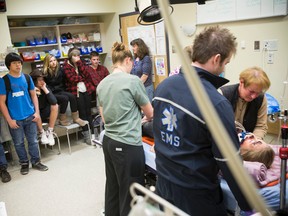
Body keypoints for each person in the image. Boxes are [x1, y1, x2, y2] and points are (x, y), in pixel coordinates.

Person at [152, 26, 252, 215]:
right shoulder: (215, 103)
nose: (224, 68)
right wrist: (249, 205)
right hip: (196, 198)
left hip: (164, 187)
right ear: (216, 59)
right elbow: (230, 163)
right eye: (226, 63)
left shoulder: (164, 87)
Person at [97, 42, 153, 216]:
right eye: (132, 63)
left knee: (113, 187)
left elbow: (104, 117)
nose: (133, 67)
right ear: (128, 60)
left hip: (108, 141)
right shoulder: (132, 81)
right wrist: (140, 117)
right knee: (131, 192)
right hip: (127, 143)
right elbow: (150, 113)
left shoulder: (102, 84)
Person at [0, 52, 48, 175]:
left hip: (30, 116)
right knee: (19, 143)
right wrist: (9, 120)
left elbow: (34, 96)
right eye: (14, 63)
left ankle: (36, 162)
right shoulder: (4, 81)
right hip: (15, 119)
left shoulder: (27, 78)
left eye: (19, 62)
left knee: (33, 141)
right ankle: (24, 163)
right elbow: (2, 103)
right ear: (8, 65)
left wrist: (36, 113)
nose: (18, 65)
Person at [219, 67, 271, 140]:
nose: (254, 96)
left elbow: (261, 126)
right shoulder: (222, 95)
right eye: (251, 91)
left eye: (258, 93)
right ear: (241, 82)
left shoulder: (261, 99)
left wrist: (254, 140)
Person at [42, 54, 86, 127]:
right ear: (47, 63)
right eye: (51, 61)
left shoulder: (60, 70)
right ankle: (62, 118)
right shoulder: (45, 73)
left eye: (54, 60)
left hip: (60, 90)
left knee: (72, 96)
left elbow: (64, 81)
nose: (53, 62)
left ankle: (76, 118)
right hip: (51, 92)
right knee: (64, 99)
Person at [62, 48, 95, 145]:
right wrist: (82, 78)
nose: (77, 58)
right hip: (76, 92)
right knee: (83, 114)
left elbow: (87, 74)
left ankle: (92, 134)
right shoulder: (66, 66)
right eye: (74, 56)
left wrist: (79, 63)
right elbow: (72, 79)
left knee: (89, 112)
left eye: (78, 56)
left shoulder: (81, 63)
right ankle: (86, 135)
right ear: (70, 57)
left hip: (86, 90)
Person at [30, 69, 58, 146]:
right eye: (39, 80)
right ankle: (42, 132)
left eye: (43, 80)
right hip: (35, 115)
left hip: (45, 112)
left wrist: (45, 89)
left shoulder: (45, 87)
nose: (42, 82)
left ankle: (50, 131)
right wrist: (34, 93)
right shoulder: (30, 90)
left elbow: (54, 101)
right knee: (36, 110)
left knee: (55, 106)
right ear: (34, 81)